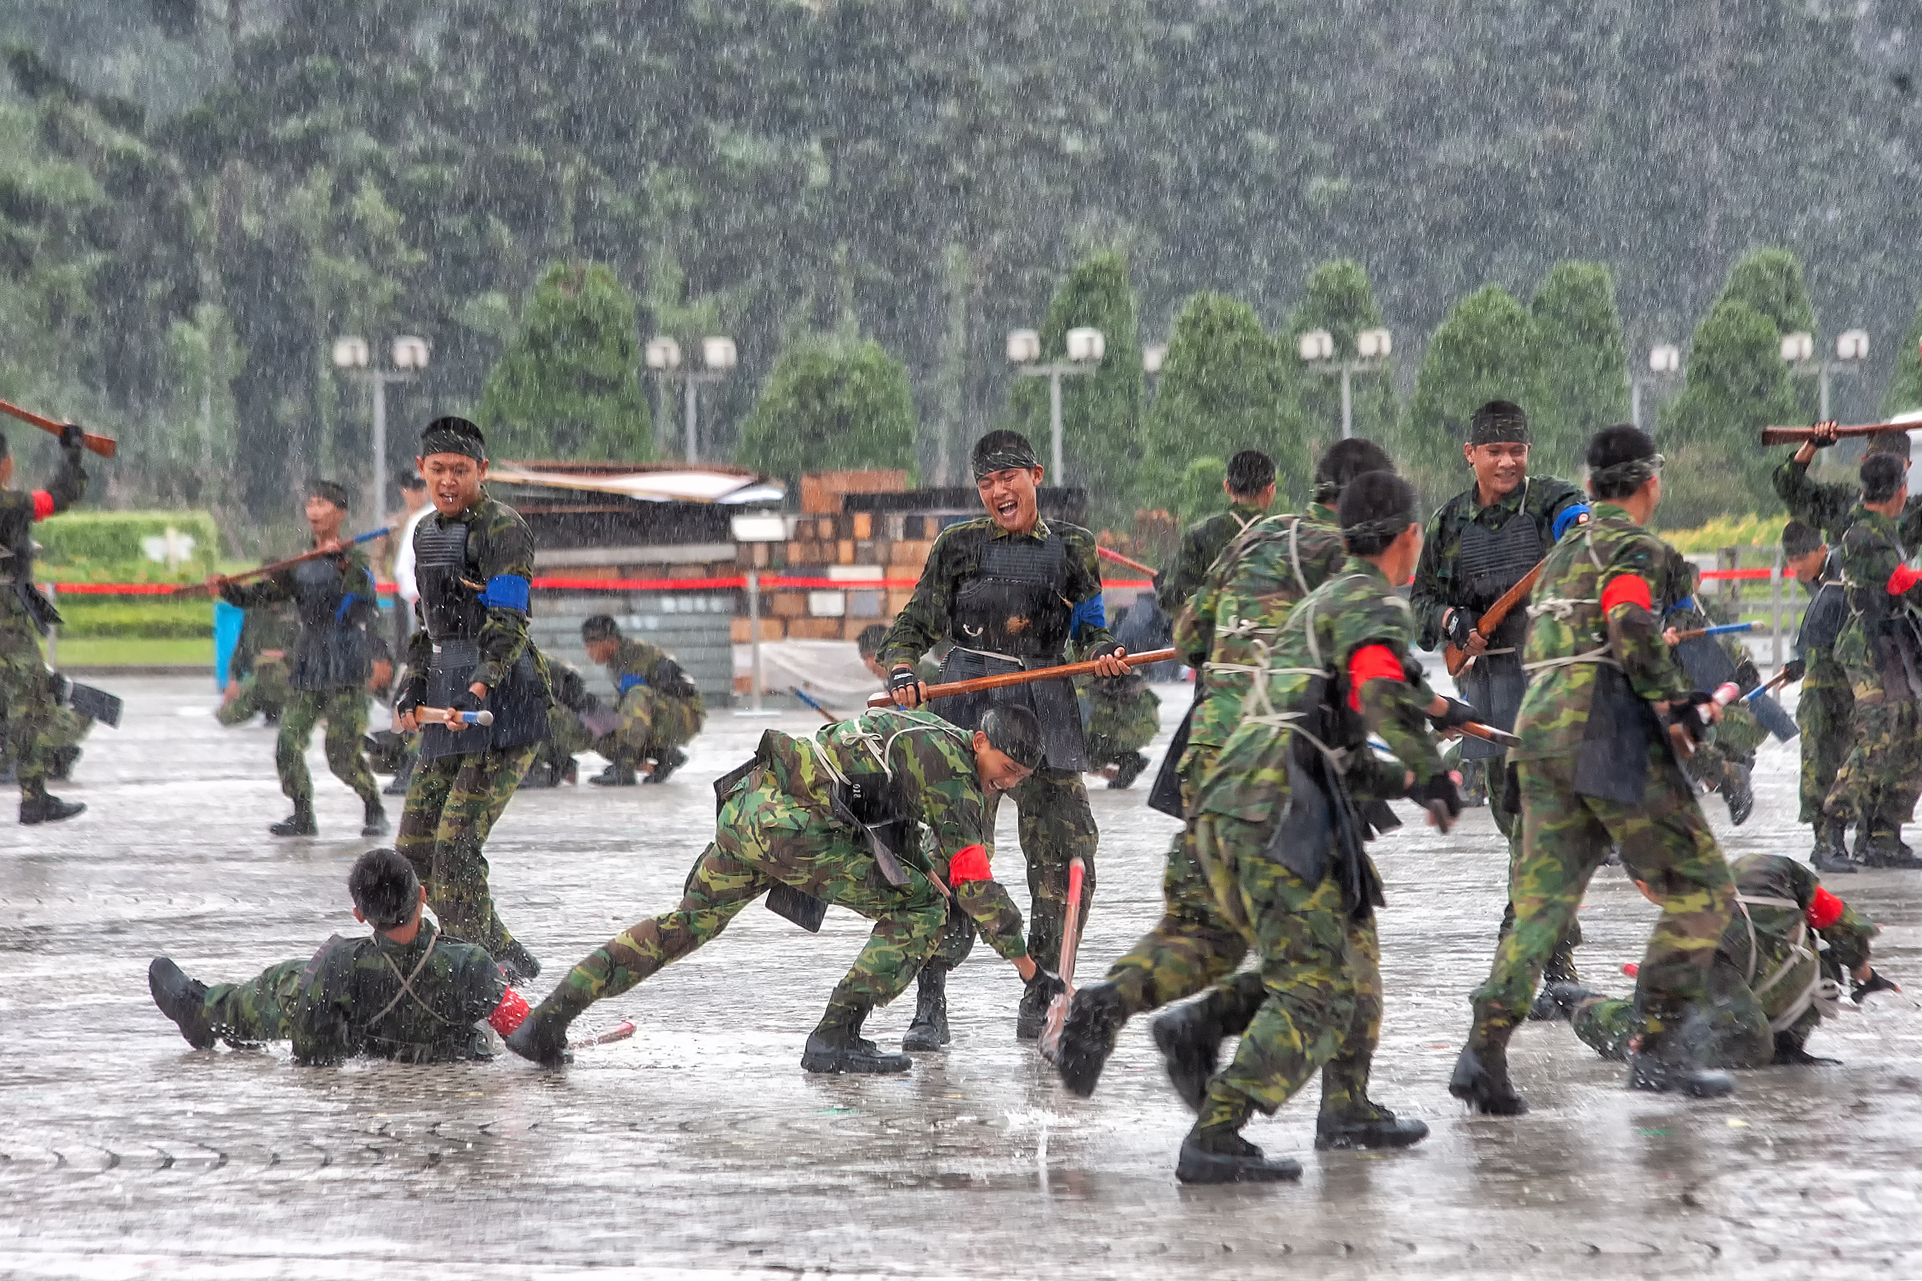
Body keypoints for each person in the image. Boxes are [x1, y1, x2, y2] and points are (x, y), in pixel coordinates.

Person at [1053, 438, 1390, 1099]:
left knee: (1203, 926)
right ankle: (1343, 1103)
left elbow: (1195, 637)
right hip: (1282, 765)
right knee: (1339, 943)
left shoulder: (1254, 541)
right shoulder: (1342, 556)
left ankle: (1111, 999)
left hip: (1209, 754)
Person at [1162, 470, 1464, 1183]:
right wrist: (1430, 771)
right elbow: (1380, 689)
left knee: (1352, 962)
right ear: (1409, 537)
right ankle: (1215, 1130)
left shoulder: (1326, 602)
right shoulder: (1368, 603)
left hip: (1266, 802)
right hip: (1275, 811)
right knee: (1316, 992)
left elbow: (1342, 740)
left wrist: (1413, 766)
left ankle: (1346, 1106)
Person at [504, 705, 1064, 1074]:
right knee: (921, 909)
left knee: (683, 926)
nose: (1008, 782)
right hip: (795, 828)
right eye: (1006, 767)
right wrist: (1031, 973)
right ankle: (835, 1036)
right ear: (982, 741)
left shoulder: (924, 730)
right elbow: (975, 885)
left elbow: (894, 820)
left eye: (1019, 778)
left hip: (749, 807)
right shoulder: (953, 772)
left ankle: (546, 1021)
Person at [1451, 425, 1739, 1114]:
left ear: (1588, 488)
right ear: (1651, 485)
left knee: (1541, 911)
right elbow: (1629, 621)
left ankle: (1483, 1052)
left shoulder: (1561, 555)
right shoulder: (1635, 546)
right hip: (1604, 725)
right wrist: (1676, 702)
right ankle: (1658, 1044)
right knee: (1702, 888)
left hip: (1539, 731)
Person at [877, 429, 1131, 1045]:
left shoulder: (1075, 548)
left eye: (1007, 478)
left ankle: (1042, 993)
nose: (997, 492)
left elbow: (1092, 630)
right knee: (950, 861)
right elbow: (912, 626)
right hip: (967, 712)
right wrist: (905, 669)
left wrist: (1105, 658)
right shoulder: (957, 546)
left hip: (1045, 712)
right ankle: (929, 1001)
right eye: (986, 483)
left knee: (1067, 860)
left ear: (1035, 476)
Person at [1411, 400, 1591, 990]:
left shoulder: (1548, 500)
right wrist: (1449, 620)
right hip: (1487, 693)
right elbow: (1420, 603)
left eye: (1517, 451)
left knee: (1538, 836)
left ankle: (1538, 963)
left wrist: (1580, 525)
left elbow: (1576, 515)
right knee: (1521, 831)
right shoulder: (1447, 524)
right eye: (1495, 452)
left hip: (1552, 695)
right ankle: (1543, 960)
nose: (1508, 462)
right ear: (1471, 455)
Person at [394, 416, 551, 983]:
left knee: (455, 850)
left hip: (503, 706)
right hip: (445, 698)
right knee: (412, 855)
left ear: (482, 471)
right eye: (438, 470)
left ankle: (485, 968)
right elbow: (427, 621)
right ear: (422, 471)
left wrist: (481, 684)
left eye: (461, 470)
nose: (449, 480)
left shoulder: (505, 529)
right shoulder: (424, 533)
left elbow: (509, 618)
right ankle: (476, 957)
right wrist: (413, 686)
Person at [146, 847, 529, 1064]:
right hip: (455, 1046)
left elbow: (313, 1053)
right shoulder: (470, 963)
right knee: (488, 993)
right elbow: (528, 1033)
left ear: (360, 915)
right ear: (423, 896)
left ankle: (207, 1013)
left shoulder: (340, 964)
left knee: (288, 983)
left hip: (362, 1041)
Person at [1539, 853, 1886, 1069]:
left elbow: (1839, 925)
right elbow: (1748, 1043)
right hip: (1750, 1005)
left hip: (1775, 1001)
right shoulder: (1764, 868)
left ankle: (1577, 1001)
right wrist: (1861, 968)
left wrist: (1860, 970)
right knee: (1642, 1028)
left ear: (1645, 887)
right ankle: (1582, 1005)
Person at [213, 480, 386, 838]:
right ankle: (302, 814)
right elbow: (261, 596)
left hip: (347, 660)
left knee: (342, 756)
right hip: (309, 660)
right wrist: (229, 590)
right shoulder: (299, 565)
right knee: (288, 741)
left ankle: (373, 805)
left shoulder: (357, 559)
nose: (313, 511)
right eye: (310, 504)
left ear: (340, 512)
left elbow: (365, 599)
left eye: (322, 503)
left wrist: (342, 565)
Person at [1820, 453, 1922, 869]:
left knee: (1912, 730)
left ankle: (1882, 834)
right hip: (1867, 643)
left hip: (1894, 640)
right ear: (1899, 490)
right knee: (1877, 735)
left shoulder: (1883, 528)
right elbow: (1900, 582)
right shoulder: (1862, 533)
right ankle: (1830, 832)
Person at [0, 424, 87, 824]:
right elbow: (59, 497)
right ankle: (34, 795)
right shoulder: (11, 503)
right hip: (6, 620)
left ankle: (34, 792)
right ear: (6, 464)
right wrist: (72, 452)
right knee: (29, 704)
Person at [1659, 555, 1767, 826]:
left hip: (1704, 709)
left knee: (1682, 732)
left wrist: (1739, 674)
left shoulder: (1697, 620)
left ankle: (1726, 771)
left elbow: (1737, 660)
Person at [1780, 520, 1855, 872]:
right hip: (1824, 679)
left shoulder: (1842, 572)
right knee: (1818, 754)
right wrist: (1800, 662)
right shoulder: (1819, 579)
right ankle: (1824, 841)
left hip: (1849, 675)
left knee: (1849, 752)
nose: (1795, 568)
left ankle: (1859, 833)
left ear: (1821, 551)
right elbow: (1819, 625)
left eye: (1801, 559)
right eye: (1790, 560)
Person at [579, 614, 705, 786]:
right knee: (597, 723)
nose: (589, 652)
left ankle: (625, 768)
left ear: (611, 641)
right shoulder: (615, 660)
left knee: (636, 696)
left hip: (686, 714)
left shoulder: (633, 654)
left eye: (592, 645)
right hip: (662, 712)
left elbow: (637, 701)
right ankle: (665, 756)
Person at [1157, 449, 1277, 619]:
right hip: (1271, 641)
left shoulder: (1201, 533)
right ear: (1270, 490)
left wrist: (1164, 585)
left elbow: (1174, 598)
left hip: (1219, 641)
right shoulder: (1286, 535)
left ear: (1227, 487)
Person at [215, 595, 298, 727]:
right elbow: (241, 649)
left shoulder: (297, 610)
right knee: (226, 716)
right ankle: (269, 706)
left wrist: (285, 654)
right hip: (258, 679)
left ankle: (284, 708)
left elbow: (312, 649)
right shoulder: (254, 613)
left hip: (290, 678)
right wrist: (233, 680)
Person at [519, 662, 601, 789]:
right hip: (570, 727)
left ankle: (537, 770)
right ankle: (562, 764)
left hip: (574, 728)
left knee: (524, 712)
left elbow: (574, 685)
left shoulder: (525, 662)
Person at [1078, 668, 1160, 789]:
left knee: (1130, 762)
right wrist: (1096, 766)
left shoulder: (1142, 700)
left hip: (1113, 744)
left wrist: (1116, 738)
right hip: (1090, 742)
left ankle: (1119, 779)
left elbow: (1148, 730)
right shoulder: (1089, 693)